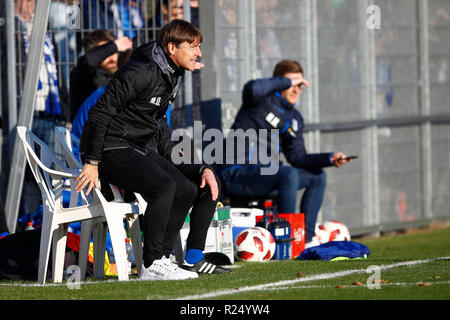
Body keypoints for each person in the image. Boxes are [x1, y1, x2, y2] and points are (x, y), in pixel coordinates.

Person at [75, 19, 226, 280]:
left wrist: (199, 167)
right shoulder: (140, 71)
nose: (198, 53)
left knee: (188, 187)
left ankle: (163, 259)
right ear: (171, 48)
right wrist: (92, 162)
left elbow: (158, 127)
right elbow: (98, 115)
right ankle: (152, 262)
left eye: (199, 47)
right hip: (109, 147)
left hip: (134, 147)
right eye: (192, 46)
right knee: (163, 186)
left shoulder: (172, 73)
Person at [217, 60, 352, 247]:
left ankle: (307, 240)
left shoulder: (295, 119)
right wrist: (287, 81)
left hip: (266, 175)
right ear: (279, 82)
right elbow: (252, 88)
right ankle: (284, 240)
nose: (296, 89)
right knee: (286, 174)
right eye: (292, 84)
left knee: (317, 177)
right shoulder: (259, 100)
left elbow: (297, 157)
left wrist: (329, 158)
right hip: (235, 173)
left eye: (300, 85)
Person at [69, 29, 132, 122]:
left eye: (114, 52)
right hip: (82, 131)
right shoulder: (83, 73)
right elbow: (87, 60)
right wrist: (114, 46)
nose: (112, 57)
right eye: (106, 51)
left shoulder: (119, 76)